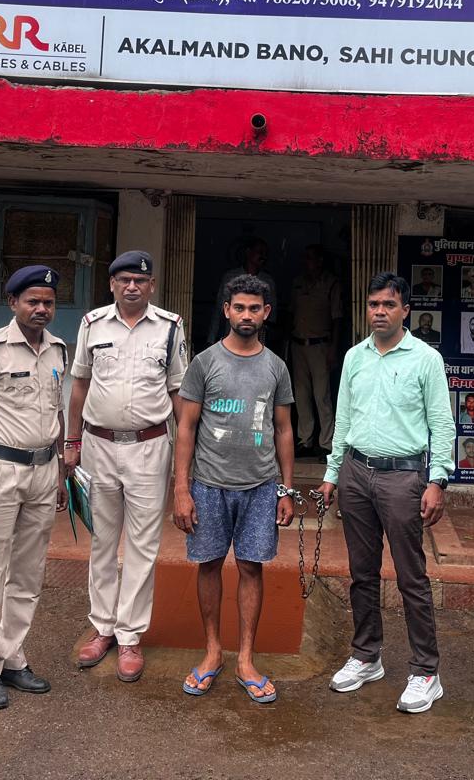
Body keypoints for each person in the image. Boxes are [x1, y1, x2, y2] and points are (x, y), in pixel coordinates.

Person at [320, 272, 455, 714]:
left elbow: (441, 423)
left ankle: (426, 672)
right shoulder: (354, 357)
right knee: (362, 572)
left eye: (389, 304)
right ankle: (366, 655)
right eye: (373, 304)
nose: (379, 311)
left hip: (403, 478)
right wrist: (333, 473)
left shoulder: (426, 359)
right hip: (356, 473)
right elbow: (343, 418)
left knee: (411, 576)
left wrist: (437, 480)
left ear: (405, 310)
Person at [172, 274, 295, 703]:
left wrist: (286, 489)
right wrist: (182, 489)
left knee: (251, 568)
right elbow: (186, 428)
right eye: (239, 307)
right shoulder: (205, 363)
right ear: (226, 310)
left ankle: (245, 658)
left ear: (266, 313)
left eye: (254, 308)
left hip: (260, 486)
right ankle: (212, 651)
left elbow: (283, 429)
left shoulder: (276, 367)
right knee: (208, 565)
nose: (246, 315)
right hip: (208, 484)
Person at [67, 250, 187, 683]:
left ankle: (130, 635)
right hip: (98, 445)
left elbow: (178, 392)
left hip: (149, 447)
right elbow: (80, 385)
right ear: (112, 284)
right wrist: (71, 442)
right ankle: (102, 627)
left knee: (142, 543)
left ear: (151, 286)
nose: (132, 286)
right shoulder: (92, 324)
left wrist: (186, 457)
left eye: (140, 280)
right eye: (124, 280)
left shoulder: (170, 327)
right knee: (102, 540)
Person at [0, 265, 69, 711]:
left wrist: (60, 474)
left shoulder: (59, 350)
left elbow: (57, 413)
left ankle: (11, 657)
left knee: (27, 574)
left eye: (48, 302)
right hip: (2, 471)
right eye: (33, 301)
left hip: (44, 471)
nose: (41, 309)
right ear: (13, 303)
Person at [289, 245, 343, 456]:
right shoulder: (297, 282)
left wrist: (333, 349)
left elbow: (337, 318)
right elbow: (291, 313)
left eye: (310, 258)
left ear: (320, 261)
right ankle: (305, 440)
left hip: (321, 345)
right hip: (298, 344)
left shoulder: (331, 283)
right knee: (301, 395)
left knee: (322, 396)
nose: (306, 262)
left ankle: (326, 443)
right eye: (305, 258)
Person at [209, 238, 277, 344]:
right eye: (259, 252)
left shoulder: (268, 281)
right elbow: (218, 311)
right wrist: (211, 339)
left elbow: (272, 316)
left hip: (258, 340)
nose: (263, 256)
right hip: (231, 338)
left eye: (265, 253)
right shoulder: (230, 277)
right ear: (248, 252)